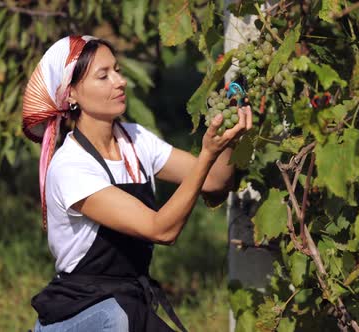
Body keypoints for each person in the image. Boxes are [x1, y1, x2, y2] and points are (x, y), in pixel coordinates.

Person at [22, 35, 252, 332]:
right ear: (72, 95)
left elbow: (216, 179)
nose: (120, 82)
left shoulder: (135, 140)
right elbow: (162, 229)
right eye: (103, 76)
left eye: (117, 70)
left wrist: (228, 137)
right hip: (83, 314)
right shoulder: (71, 167)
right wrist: (207, 152)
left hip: (126, 306)